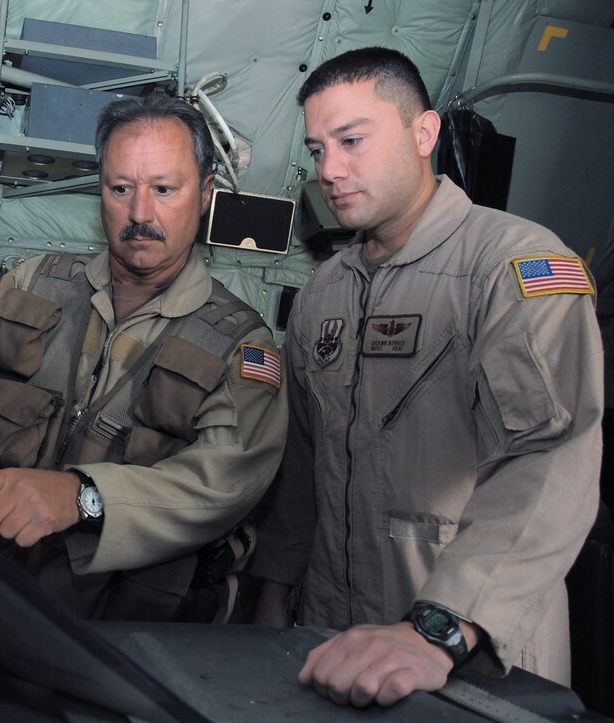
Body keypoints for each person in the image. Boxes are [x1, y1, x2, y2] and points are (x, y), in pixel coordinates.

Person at [248, 47, 602, 707]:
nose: (331, 168)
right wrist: (272, 588)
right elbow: (304, 462)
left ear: (424, 133)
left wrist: (441, 625)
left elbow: (549, 461)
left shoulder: (515, 264)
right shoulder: (324, 291)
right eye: (319, 149)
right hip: (338, 636)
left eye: (352, 140)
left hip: (474, 647)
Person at [0, 93, 287, 622]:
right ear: (99, 190)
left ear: (205, 195)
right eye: (120, 188)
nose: (140, 213)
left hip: (124, 628)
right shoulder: (36, 283)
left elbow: (220, 487)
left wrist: (82, 496)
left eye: (164, 189)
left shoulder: (237, 346)